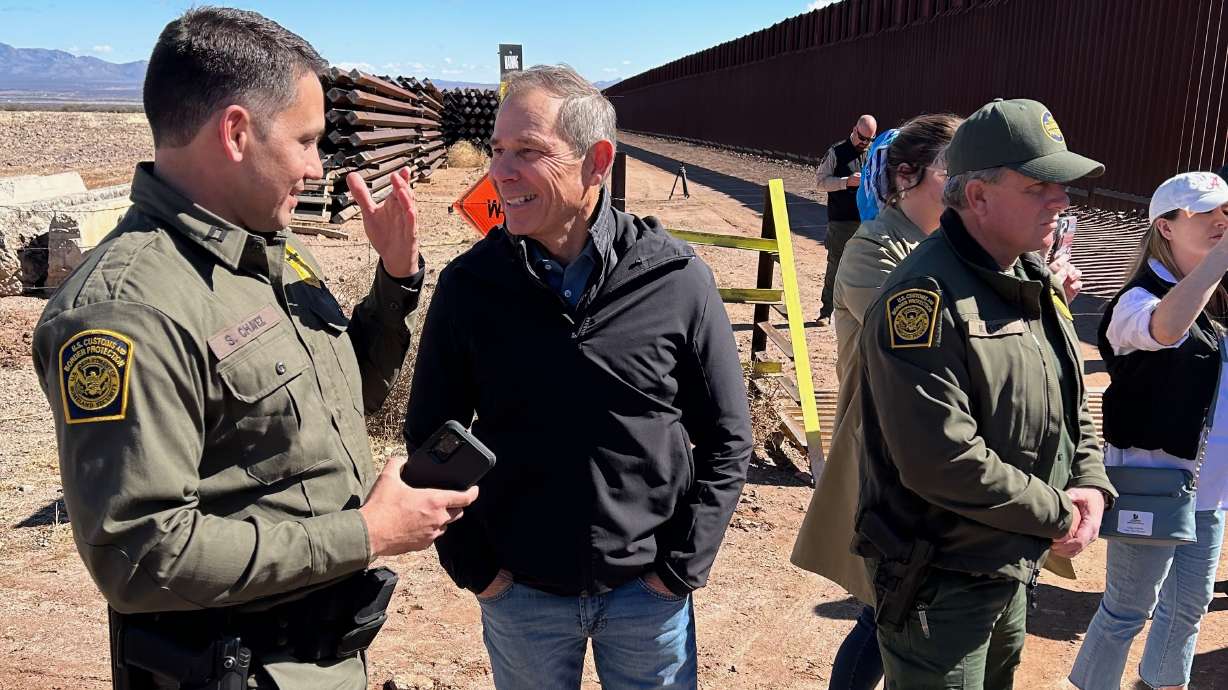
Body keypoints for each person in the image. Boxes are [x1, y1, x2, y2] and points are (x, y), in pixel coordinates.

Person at [30, 8, 476, 688]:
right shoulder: (126, 313)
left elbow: (341, 400)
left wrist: (393, 283)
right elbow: (140, 557)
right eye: (305, 141)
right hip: (237, 668)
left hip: (322, 654)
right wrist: (368, 534)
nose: (316, 167)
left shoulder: (266, 252)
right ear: (236, 133)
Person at [403, 64, 753, 690]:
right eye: (497, 150)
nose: (500, 173)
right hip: (522, 594)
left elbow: (727, 437)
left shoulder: (675, 280)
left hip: (648, 596)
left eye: (529, 152)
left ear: (597, 161)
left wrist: (678, 569)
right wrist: (476, 568)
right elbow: (433, 434)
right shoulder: (471, 287)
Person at [853, 98, 1117, 689]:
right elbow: (940, 459)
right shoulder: (921, 300)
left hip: (1009, 560)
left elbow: (1072, 399)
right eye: (1040, 187)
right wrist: (1057, 512)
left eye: (1063, 186)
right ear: (978, 196)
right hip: (941, 578)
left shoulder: (1029, 281)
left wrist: (1091, 481)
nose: (1062, 201)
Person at [792, 113, 962, 690]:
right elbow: (929, 349)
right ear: (909, 176)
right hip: (889, 457)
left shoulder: (955, 248)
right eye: (952, 169)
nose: (967, 181)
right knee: (886, 610)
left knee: (908, 612)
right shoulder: (873, 250)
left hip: (943, 454)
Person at [1067, 171, 1228, 690]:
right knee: (1127, 611)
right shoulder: (1135, 300)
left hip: (1210, 490)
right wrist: (1218, 266)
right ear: (1165, 225)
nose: (1222, 220)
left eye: (1226, 211)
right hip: (1153, 484)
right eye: (1206, 213)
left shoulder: (1216, 295)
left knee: (1188, 609)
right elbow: (1166, 328)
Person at [816, 114, 877, 325]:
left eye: (869, 139)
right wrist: (846, 182)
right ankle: (826, 311)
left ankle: (859, 313)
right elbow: (821, 182)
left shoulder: (872, 154)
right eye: (862, 137)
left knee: (865, 267)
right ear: (854, 130)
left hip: (866, 220)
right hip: (841, 221)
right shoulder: (836, 152)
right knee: (836, 265)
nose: (864, 143)